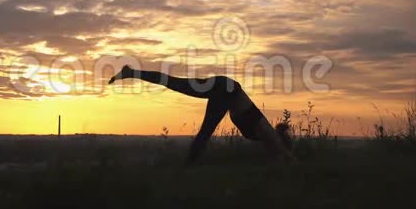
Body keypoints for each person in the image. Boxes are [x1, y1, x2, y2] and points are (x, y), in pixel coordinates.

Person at [108, 65, 295, 164]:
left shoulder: (261, 133)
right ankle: (188, 166)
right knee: (205, 133)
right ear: (279, 140)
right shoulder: (267, 132)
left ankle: (131, 72)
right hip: (225, 89)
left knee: (174, 83)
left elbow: (278, 151)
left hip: (224, 86)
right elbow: (283, 153)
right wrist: (288, 157)